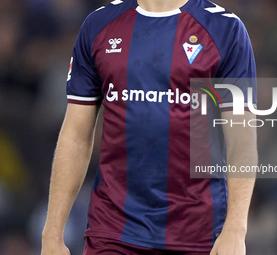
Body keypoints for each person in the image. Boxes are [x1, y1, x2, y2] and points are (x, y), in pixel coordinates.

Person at [41, 0, 257, 254]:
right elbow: (76, 136)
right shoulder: (99, 25)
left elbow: (241, 139)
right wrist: (52, 233)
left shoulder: (225, 29)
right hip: (113, 232)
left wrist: (235, 229)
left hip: (199, 234)